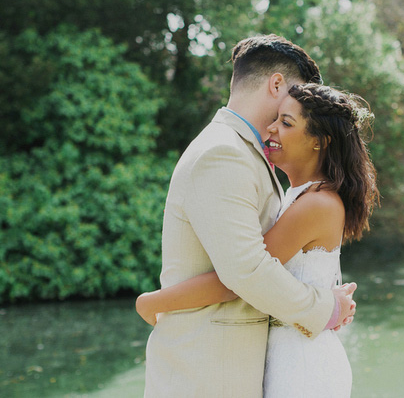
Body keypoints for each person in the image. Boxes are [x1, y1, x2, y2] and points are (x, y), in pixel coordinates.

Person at [141, 35, 359, 397]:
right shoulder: (223, 153)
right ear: (276, 84)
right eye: (294, 94)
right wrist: (325, 307)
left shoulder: (248, 155)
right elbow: (246, 270)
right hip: (208, 369)